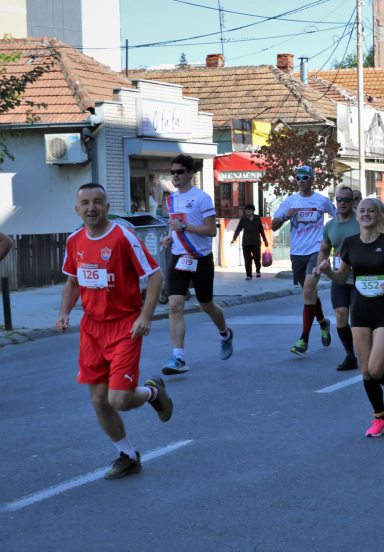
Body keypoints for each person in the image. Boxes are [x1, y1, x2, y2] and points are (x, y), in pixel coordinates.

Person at [57, 183, 173, 479]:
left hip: (125, 325)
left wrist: (145, 316)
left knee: (118, 399)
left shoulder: (123, 237)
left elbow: (155, 275)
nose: (91, 207)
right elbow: (72, 282)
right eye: (85, 203)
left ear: (107, 207)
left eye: (97, 202)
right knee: (98, 400)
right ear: (77, 209)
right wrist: (64, 313)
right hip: (92, 329)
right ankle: (127, 455)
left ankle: (152, 392)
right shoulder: (74, 241)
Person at [315, 199, 384, 437]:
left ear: (379, 216)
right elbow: (342, 278)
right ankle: (380, 418)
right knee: (366, 371)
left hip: (382, 311)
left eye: (371, 211)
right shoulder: (350, 244)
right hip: (359, 310)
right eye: (362, 211)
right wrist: (328, 271)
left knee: (375, 367)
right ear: (357, 216)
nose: (366, 214)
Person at [160, 155, 234, 375]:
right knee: (174, 305)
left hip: (200, 258)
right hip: (179, 257)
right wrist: (170, 236)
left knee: (206, 305)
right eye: (172, 172)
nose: (175, 175)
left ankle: (225, 334)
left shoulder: (202, 198)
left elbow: (211, 231)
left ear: (190, 173)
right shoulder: (171, 199)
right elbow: (175, 226)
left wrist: (183, 227)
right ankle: (179, 358)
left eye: (179, 172)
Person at [272, 165, 337, 356]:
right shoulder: (290, 200)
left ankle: (304, 340)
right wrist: (285, 216)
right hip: (297, 254)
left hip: (317, 251)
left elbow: (338, 217)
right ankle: (324, 323)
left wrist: (332, 238)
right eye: (298, 177)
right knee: (310, 294)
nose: (300, 180)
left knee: (308, 291)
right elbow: (273, 225)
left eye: (304, 177)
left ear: (311, 180)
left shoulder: (322, 201)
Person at [317, 186, 361, 371]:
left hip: (361, 279)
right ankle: (350, 356)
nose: (342, 203)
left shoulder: (361, 221)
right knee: (340, 316)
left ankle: (368, 351)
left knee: (358, 319)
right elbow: (324, 250)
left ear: (353, 202)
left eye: (346, 199)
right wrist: (320, 266)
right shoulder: (330, 225)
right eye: (339, 200)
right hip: (339, 278)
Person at [230, 204, 269, 280]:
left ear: (253, 210)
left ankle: (258, 270)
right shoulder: (243, 219)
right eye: (247, 210)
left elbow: (261, 230)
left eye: (250, 210)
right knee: (247, 259)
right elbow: (238, 229)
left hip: (256, 242)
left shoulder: (257, 218)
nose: (248, 211)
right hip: (246, 243)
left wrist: (265, 240)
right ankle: (249, 275)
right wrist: (234, 238)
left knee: (256, 257)